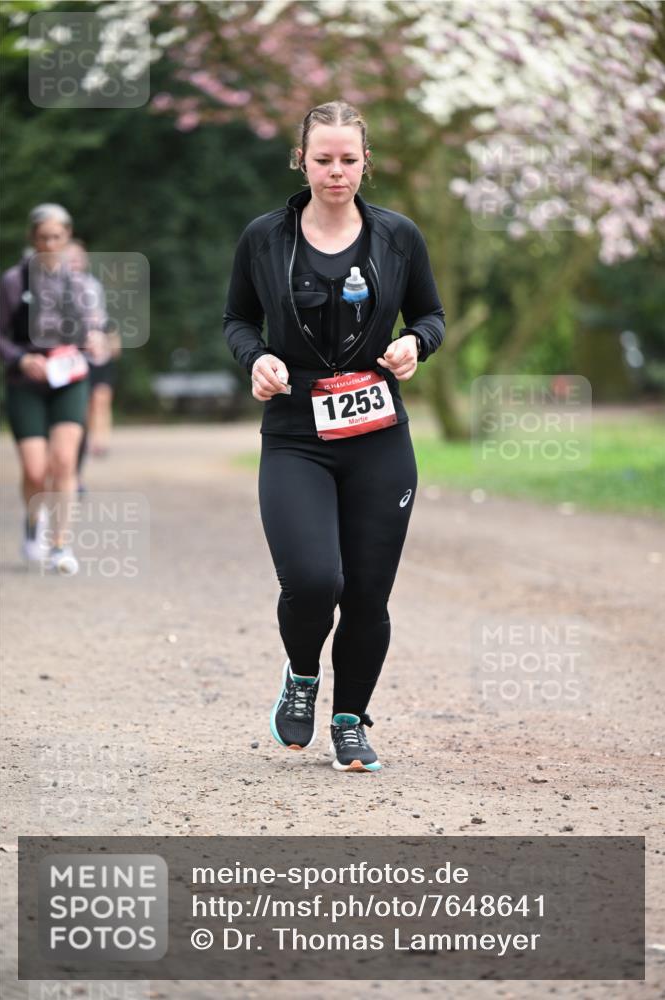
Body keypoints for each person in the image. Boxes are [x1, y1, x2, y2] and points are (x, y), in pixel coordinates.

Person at [223, 100, 445, 772]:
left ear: (364, 162)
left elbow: (431, 315)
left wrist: (414, 344)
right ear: (301, 159)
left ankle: (349, 721)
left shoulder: (396, 237)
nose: (336, 171)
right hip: (295, 434)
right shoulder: (264, 237)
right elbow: (237, 320)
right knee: (315, 579)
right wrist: (255, 359)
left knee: (368, 592)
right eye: (323, 159)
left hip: (378, 434)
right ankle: (300, 675)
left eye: (348, 159)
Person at [0, 204, 108, 574]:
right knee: (34, 470)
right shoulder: (14, 281)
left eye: (56, 237)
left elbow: (95, 329)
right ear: (33, 238)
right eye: (43, 237)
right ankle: (33, 523)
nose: (49, 243)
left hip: (69, 380)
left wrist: (94, 341)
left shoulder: (79, 283)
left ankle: (60, 545)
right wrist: (20, 359)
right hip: (26, 382)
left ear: (67, 238)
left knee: (63, 462)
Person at [65, 240, 120, 477]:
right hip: (74, 352)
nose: (75, 261)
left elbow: (102, 318)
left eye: (79, 256)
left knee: (103, 395)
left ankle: (101, 441)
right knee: (85, 400)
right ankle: (82, 441)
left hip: (98, 350)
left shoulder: (93, 285)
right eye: (71, 257)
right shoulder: (56, 286)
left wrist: (112, 339)